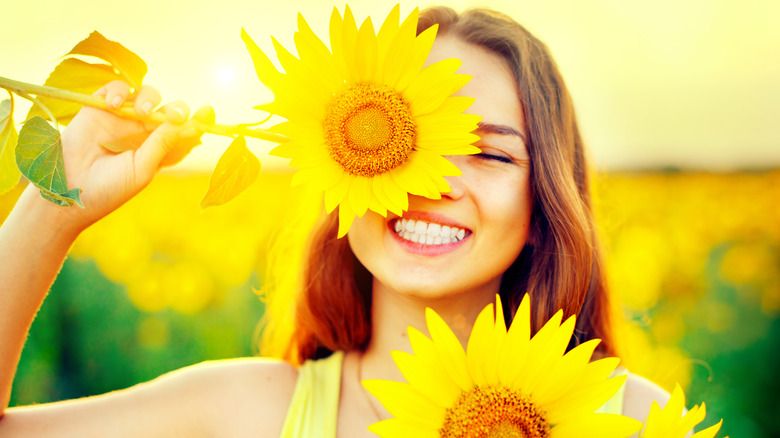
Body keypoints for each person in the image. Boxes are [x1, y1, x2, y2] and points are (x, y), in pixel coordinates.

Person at [0, 5, 670, 437]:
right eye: (398, 144)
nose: (432, 183)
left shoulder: (625, 419)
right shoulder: (248, 413)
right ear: (341, 165)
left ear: (543, 203)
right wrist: (54, 206)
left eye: (490, 153)